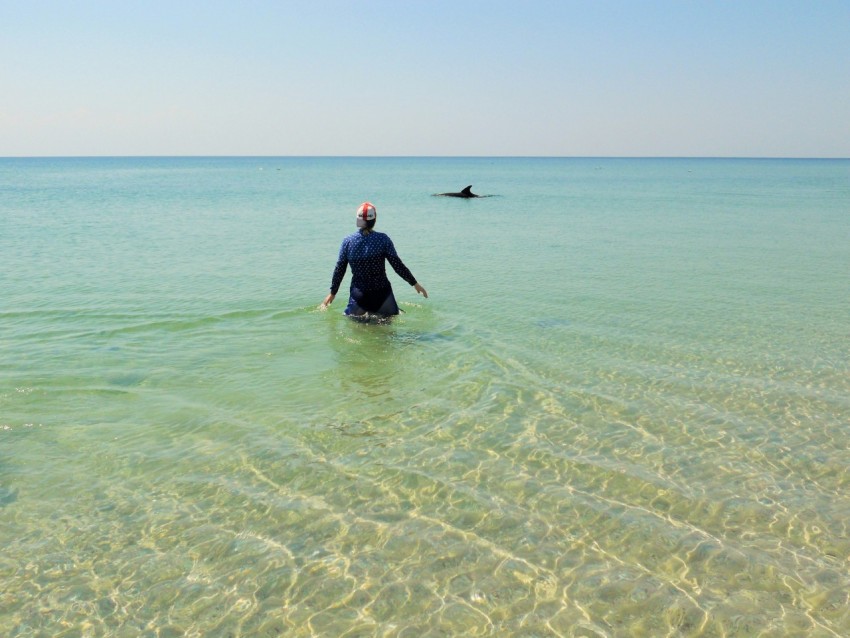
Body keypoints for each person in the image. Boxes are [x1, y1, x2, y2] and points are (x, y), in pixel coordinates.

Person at [322, 202, 428, 318]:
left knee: (357, 327)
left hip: (359, 295)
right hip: (382, 294)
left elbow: (340, 269)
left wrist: (333, 293)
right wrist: (415, 284)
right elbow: (397, 265)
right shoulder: (383, 239)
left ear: (358, 220)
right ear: (375, 219)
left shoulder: (348, 241)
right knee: (387, 327)